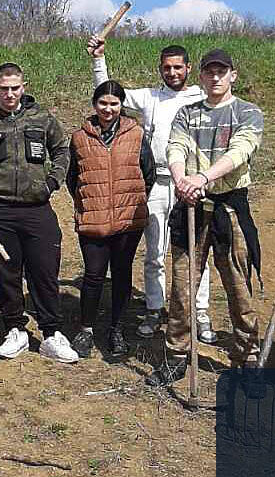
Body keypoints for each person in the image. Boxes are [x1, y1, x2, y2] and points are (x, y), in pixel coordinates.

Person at [146, 49, 265, 386]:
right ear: (200, 76)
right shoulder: (187, 113)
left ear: (232, 75)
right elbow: (175, 148)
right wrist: (183, 180)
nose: (215, 77)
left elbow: (241, 151)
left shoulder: (247, 112)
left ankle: (246, 356)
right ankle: (176, 355)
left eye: (221, 72)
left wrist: (203, 179)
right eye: (209, 72)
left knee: (239, 288)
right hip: (191, 206)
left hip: (230, 208)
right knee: (182, 288)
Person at [87, 40, 212, 340]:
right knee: (154, 253)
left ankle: (200, 313)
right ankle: (155, 308)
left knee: (197, 253)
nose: (172, 73)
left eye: (177, 67)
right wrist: (98, 59)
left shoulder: (202, 96)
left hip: (192, 184)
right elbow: (110, 93)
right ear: (160, 69)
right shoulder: (150, 97)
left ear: (188, 69)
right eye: (166, 68)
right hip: (157, 183)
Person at [0, 62, 78, 363]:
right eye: (4, 89)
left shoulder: (41, 118)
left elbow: (63, 151)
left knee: (44, 272)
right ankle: (15, 329)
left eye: (15, 88)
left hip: (37, 208)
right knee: (7, 274)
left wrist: (52, 182)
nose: (10, 94)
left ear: (23, 87)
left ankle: (52, 333)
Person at [66, 81, 154, 358]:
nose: (108, 108)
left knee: (121, 275)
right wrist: (91, 203)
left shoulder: (136, 134)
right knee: (93, 276)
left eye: (114, 103)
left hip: (128, 219)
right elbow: (73, 179)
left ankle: (116, 329)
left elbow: (147, 174)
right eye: (103, 103)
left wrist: (127, 200)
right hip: (93, 217)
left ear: (121, 106)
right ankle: (86, 330)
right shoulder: (79, 137)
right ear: (95, 104)